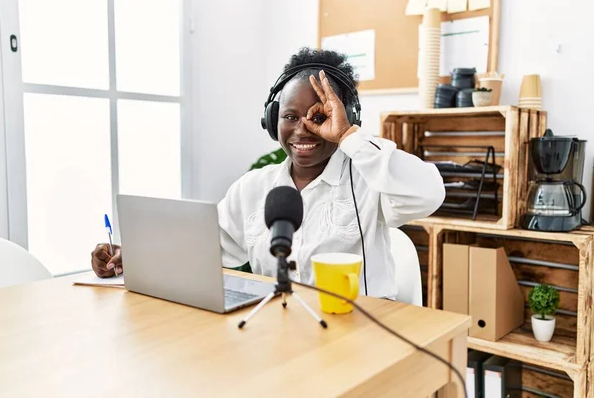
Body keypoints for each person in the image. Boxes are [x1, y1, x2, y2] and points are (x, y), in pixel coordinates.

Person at [91, 47, 445, 300]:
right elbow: (207, 251)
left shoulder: (369, 180)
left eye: (319, 117)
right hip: (280, 333)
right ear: (271, 119)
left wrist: (348, 138)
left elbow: (428, 194)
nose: (303, 130)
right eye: (290, 116)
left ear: (344, 118)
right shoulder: (254, 187)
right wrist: (135, 258)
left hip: (357, 332)